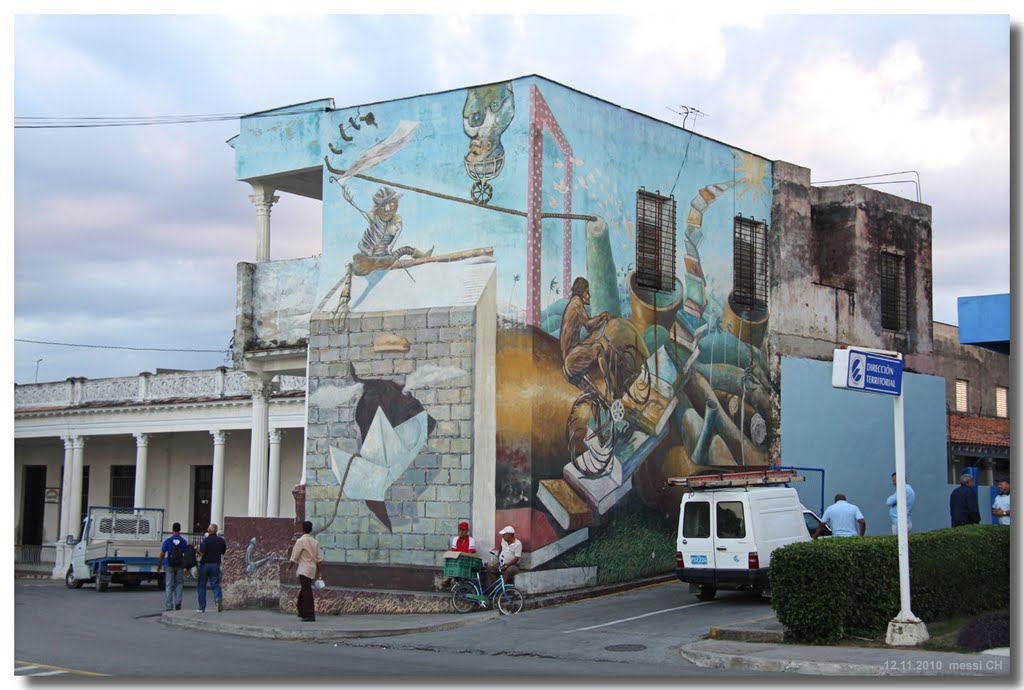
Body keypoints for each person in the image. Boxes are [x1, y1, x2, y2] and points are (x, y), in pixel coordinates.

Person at [560, 277, 612, 392]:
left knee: (595, 395)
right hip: (572, 358)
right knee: (599, 348)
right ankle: (611, 385)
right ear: (581, 291)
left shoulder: (571, 304)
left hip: (568, 367)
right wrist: (601, 317)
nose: (589, 296)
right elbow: (588, 325)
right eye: (587, 292)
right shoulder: (576, 303)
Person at [287, 521, 323, 622]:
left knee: (306, 592)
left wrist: (289, 568)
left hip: (304, 569)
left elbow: (294, 557)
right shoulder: (315, 542)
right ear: (311, 530)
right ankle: (301, 611)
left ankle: (310, 615)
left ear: (302, 529)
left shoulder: (300, 541)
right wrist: (319, 572)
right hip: (312, 570)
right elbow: (318, 559)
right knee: (304, 590)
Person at [157, 522, 190, 611]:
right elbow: (186, 555)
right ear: (180, 530)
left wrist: (160, 564)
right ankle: (178, 603)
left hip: (169, 565)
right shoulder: (183, 542)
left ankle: (169, 606)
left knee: (169, 585)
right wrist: (186, 567)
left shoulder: (168, 541)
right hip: (180, 565)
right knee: (179, 584)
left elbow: (163, 553)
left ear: (172, 530)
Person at [195, 523, 227, 613]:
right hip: (215, 564)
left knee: (202, 585)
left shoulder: (206, 540)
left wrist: (195, 549)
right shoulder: (221, 540)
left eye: (208, 528)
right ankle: (217, 599)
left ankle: (201, 607)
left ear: (209, 530)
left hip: (205, 564)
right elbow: (223, 551)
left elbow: (202, 553)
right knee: (215, 584)